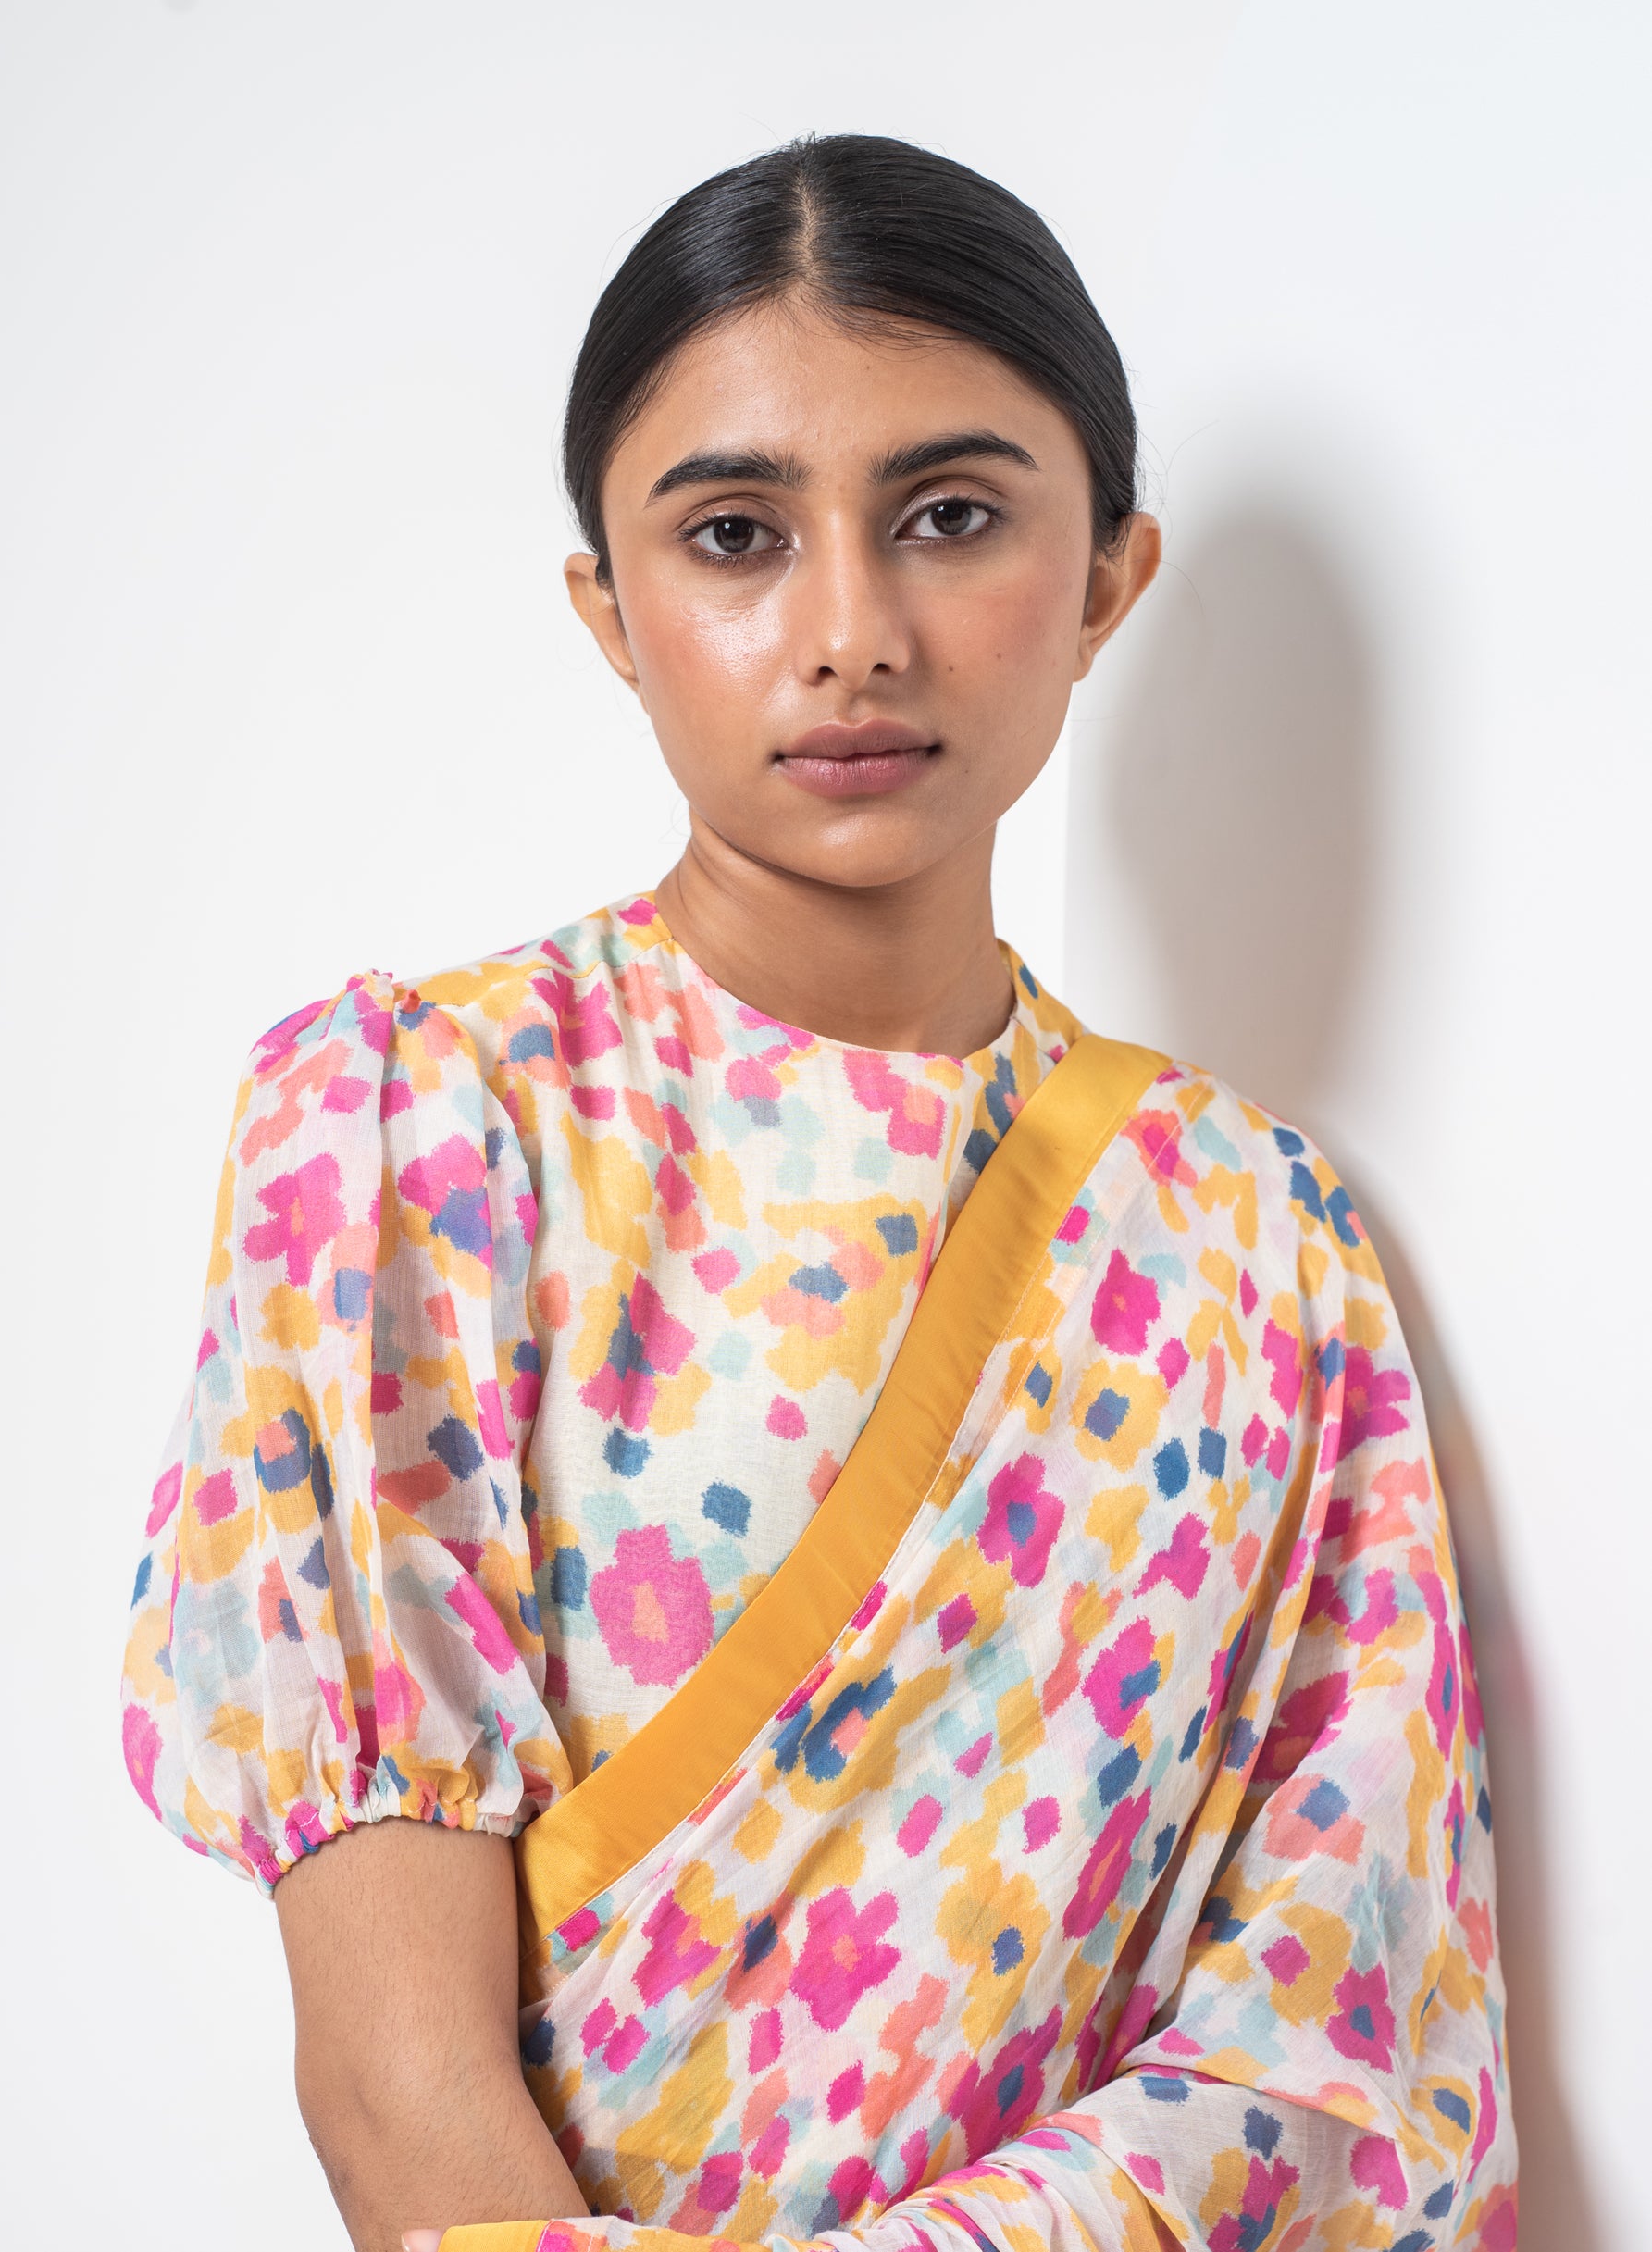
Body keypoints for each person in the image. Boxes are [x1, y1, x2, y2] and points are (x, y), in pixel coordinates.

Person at [122, 135, 1515, 2252]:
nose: (851, 633)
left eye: (949, 515)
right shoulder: (423, 1127)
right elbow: (399, 2087)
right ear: (609, 609)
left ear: (1107, 575)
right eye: (734, 536)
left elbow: (1333, 2042)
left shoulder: (1258, 1244)